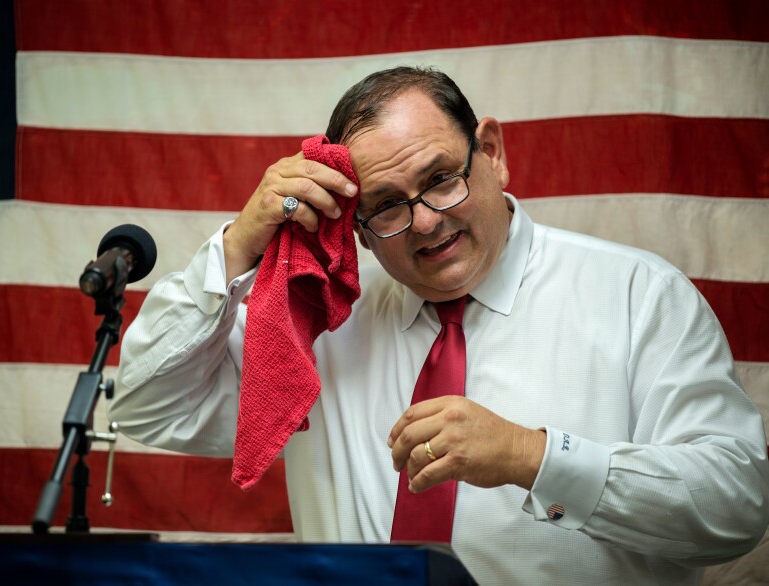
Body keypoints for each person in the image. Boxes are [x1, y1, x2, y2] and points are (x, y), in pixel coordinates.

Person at [108, 67, 769, 584]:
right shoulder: (317, 326)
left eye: (442, 179)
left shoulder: (636, 295)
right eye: (387, 205)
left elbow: (735, 505)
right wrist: (235, 250)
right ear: (357, 229)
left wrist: (530, 457)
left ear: (492, 152)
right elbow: (145, 408)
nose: (425, 221)